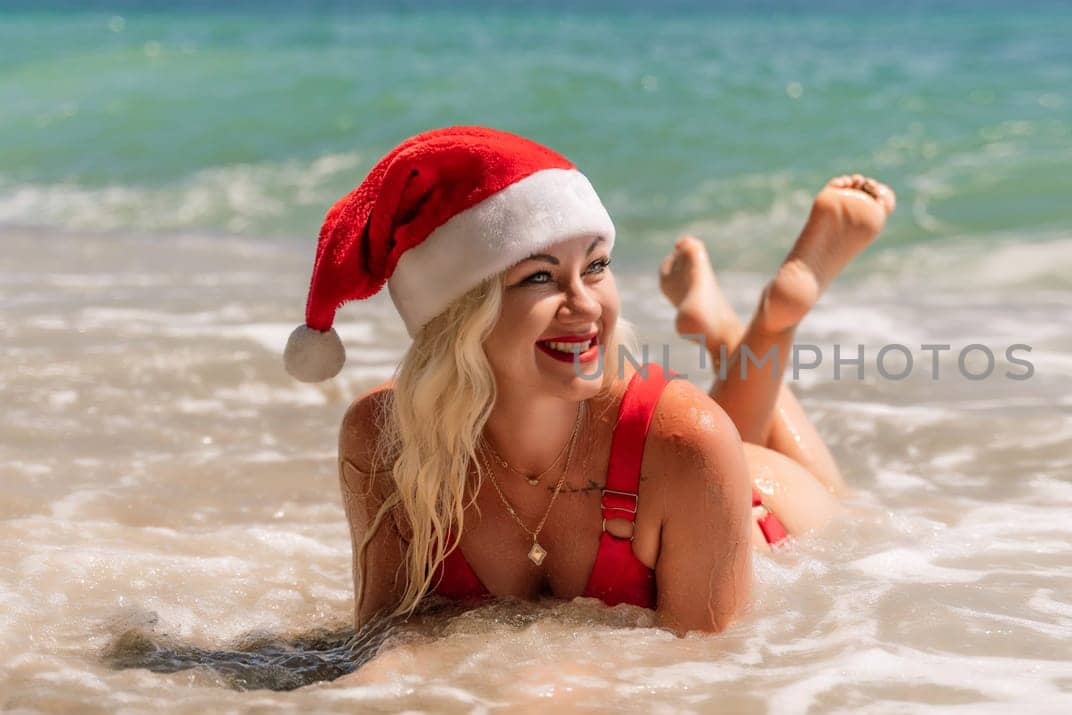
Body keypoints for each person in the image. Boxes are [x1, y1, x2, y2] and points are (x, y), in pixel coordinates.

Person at [282, 126, 895, 635]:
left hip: (767, 507)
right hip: (680, 464)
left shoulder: (690, 439)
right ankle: (716, 321)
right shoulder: (387, 440)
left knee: (751, 456)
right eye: (540, 278)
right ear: (458, 316)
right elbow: (385, 637)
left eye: (596, 267)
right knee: (694, 435)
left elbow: (709, 680)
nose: (586, 302)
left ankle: (761, 323)